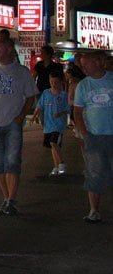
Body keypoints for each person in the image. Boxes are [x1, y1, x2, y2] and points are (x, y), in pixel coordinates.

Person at [0, 38, 38, 216]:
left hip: (13, 123)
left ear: (10, 50)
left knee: (12, 161)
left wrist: (20, 117)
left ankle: (11, 199)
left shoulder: (22, 72)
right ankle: (6, 199)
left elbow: (30, 96)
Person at [74, 50, 113, 223]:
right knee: (94, 173)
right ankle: (94, 210)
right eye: (81, 65)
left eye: (85, 64)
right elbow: (77, 112)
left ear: (98, 63)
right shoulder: (83, 85)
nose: (83, 67)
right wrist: (85, 134)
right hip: (94, 136)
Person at [31, 71, 69, 176]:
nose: (53, 84)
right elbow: (40, 106)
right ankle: (56, 167)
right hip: (48, 124)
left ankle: (61, 163)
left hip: (59, 125)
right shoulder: (46, 93)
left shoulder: (63, 95)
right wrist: (34, 116)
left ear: (60, 82)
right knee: (52, 146)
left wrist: (61, 113)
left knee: (53, 142)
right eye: (51, 81)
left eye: (56, 82)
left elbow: (68, 108)